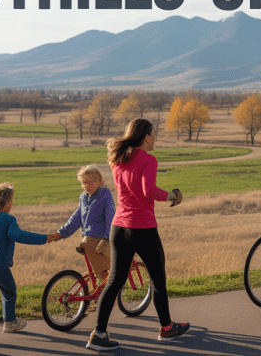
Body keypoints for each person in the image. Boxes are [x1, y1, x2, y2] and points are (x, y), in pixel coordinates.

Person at [86, 118, 189, 352]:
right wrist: (172, 195)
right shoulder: (148, 159)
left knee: (114, 281)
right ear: (146, 137)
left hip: (119, 228)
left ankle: (98, 335)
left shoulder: (118, 158)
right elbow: (148, 191)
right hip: (142, 228)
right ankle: (166, 328)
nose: (155, 139)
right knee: (158, 280)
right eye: (154, 135)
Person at [0, 182, 59, 340]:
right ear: (6, 201)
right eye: (12, 200)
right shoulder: (8, 219)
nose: (12, 203)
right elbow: (18, 235)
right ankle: (5, 321)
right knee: (10, 290)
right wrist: (44, 238)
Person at [50, 165, 116, 284]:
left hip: (101, 238)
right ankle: (103, 290)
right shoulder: (83, 197)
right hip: (89, 239)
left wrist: (107, 237)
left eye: (90, 182)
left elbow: (110, 217)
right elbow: (76, 218)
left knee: (102, 268)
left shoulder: (105, 194)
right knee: (99, 270)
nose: (86, 186)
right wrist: (61, 233)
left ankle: (104, 289)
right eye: (84, 183)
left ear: (99, 181)